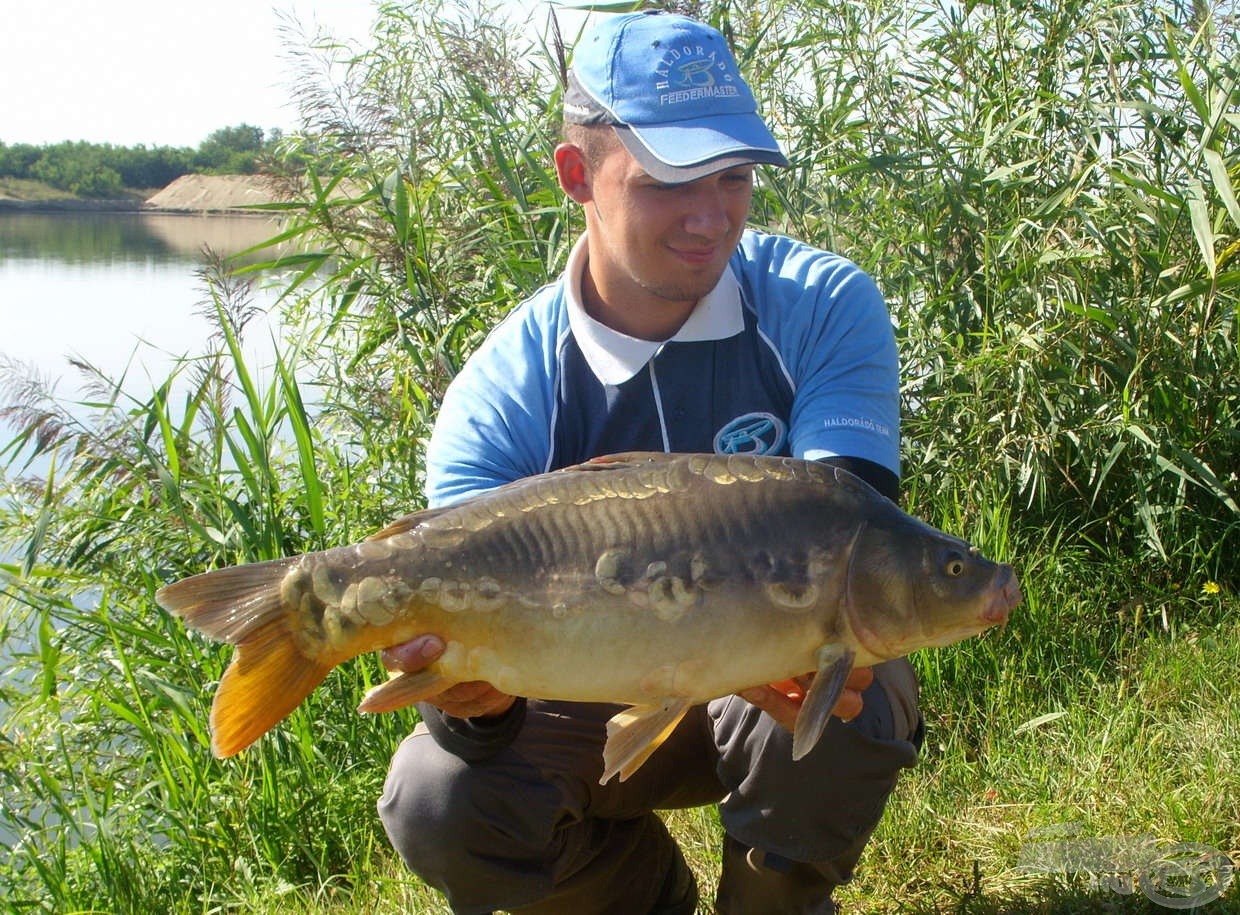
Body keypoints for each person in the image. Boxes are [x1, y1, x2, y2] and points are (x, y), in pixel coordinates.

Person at [377, 11, 922, 914]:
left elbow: (856, 541)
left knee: (859, 671)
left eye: (736, 175)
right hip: (585, 701)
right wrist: (470, 700)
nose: (712, 217)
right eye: (672, 179)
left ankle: (767, 905)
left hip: (768, 690)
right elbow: (474, 709)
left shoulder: (823, 304)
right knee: (440, 791)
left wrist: (746, 641)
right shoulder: (502, 396)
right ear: (576, 174)